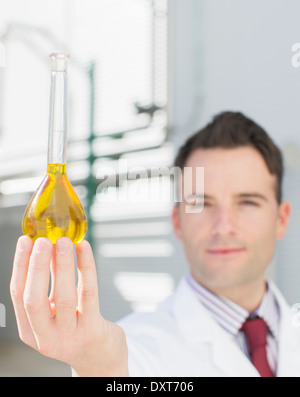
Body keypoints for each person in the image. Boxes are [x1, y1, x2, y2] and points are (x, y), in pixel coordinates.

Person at [10, 111, 300, 377]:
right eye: (201, 203)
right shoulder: (136, 348)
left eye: (248, 202)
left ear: (281, 219)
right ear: (177, 222)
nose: (223, 226)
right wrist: (100, 367)